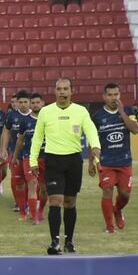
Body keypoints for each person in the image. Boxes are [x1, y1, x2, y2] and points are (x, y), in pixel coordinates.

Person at [30, 78, 101, 255]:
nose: (62, 92)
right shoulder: (46, 112)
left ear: (71, 92)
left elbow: (91, 130)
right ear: (54, 92)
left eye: (65, 89)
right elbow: (37, 138)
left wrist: (95, 147)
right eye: (59, 89)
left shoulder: (81, 111)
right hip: (53, 160)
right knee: (56, 201)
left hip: (74, 161)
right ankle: (54, 242)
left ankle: (69, 240)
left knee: (70, 202)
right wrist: (33, 161)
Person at [90, 83, 138, 234]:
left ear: (120, 96)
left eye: (116, 94)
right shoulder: (97, 117)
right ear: (104, 97)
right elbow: (92, 140)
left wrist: (122, 112)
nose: (113, 98)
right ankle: (110, 227)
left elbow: (135, 129)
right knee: (107, 192)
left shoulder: (128, 111)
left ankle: (117, 210)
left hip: (124, 161)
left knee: (125, 194)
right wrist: (91, 162)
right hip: (106, 162)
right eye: (110, 95)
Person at [13, 92, 47, 224]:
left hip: (46, 157)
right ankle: (34, 217)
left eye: (38, 102)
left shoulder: (48, 119)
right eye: (33, 103)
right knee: (32, 184)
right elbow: (20, 141)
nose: (35, 105)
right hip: (29, 158)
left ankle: (41, 210)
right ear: (30, 104)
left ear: (43, 103)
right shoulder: (25, 121)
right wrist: (15, 157)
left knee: (44, 188)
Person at [0, 91, 33, 216]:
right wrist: (3, 149)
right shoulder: (11, 116)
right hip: (15, 154)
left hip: (31, 155)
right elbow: (6, 132)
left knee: (31, 180)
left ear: (29, 102)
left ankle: (30, 202)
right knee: (17, 180)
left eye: (25, 102)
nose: (23, 105)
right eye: (21, 102)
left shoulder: (37, 116)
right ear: (16, 103)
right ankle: (20, 203)